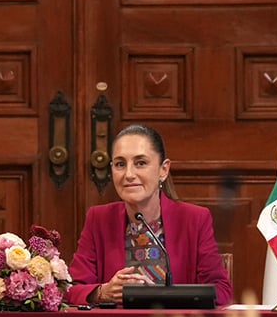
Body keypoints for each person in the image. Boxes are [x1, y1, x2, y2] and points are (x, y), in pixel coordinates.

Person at [65, 124, 232, 306]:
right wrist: (103, 292)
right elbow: (70, 289)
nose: (129, 174)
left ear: (164, 170)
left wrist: (171, 296)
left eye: (141, 163)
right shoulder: (99, 218)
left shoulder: (194, 219)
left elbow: (221, 290)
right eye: (120, 164)